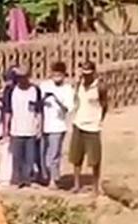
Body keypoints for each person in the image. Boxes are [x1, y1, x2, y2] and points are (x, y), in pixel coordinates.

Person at [70, 61, 108, 195]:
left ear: (94, 73)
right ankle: (76, 185)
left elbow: (104, 105)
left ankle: (95, 186)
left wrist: (98, 120)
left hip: (93, 127)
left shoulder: (100, 87)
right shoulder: (79, 84)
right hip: (78, 123)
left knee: (94, 159)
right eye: (84, 74)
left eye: (88, 74)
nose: (86, 76)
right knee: (76, 157)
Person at [4, 66, 42, 188]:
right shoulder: (11, 91)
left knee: (30, 157)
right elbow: (8, 111)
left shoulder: (35, 90)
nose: (22, 80)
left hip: (31, 128)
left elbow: (39, 110)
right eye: (19, 77)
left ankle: (28, 179)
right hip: (16, 129)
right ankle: (17, 180)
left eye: (24, 77)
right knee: (17, 157)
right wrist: (6, 129)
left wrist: (39, 127)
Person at [40, 61, 75, 188]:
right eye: (54, 74)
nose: (57, 77)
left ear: (64, 75)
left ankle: (53, 179)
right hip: (43, 125)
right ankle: (45, 176)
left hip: (58, 126)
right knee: (43, 153)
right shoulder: (44, 86)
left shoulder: (68, 89)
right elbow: (38, 103)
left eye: (59, 75)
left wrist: (56, 99)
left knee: (54, 154)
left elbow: (68, 109)